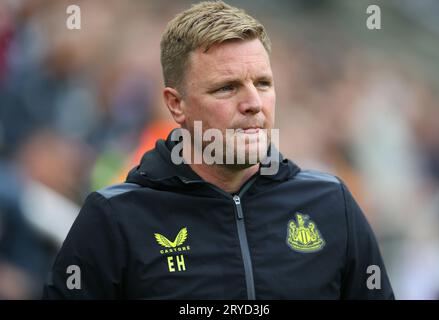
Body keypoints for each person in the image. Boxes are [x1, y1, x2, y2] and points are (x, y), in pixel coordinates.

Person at [43, 1, 394, 299]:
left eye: (263, 83)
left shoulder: (332, 204)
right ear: (176, 105)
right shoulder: (113, 218)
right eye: (227, 88)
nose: (254, 103)